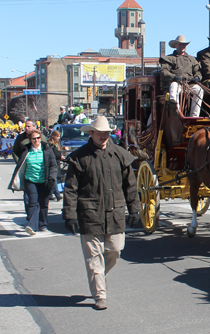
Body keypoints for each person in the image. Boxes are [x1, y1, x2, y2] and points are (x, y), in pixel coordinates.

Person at [62, 116, 140, 310]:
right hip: (89, 214)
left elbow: (131, 185)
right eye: (100, 133)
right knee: (93, 257)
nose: (103, 136)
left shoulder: (120, 155)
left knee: (115, 250)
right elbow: (70, 189)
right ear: (92, 133)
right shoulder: (79, 157)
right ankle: (100, 295)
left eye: (106, 133)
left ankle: (98, 276)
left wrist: (135, 209)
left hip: (115, 213)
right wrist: (70, 215)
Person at [8, 129, 58, 235]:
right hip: (30, 180)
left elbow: (53, 165)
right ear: (30, 140)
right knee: (32, 202)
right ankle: (31, 225)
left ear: (41, 138)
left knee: (44, 203)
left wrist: (51, 178)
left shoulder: (47, 150)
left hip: (44, 180)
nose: (36, 140)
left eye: (38, 138)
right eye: (34, 138)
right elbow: (20, 165)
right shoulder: (26, 150)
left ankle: (43, 224)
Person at [160, 35, 204, 117]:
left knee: (199, 90)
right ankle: (176, 110)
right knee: (174, 87)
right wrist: (174, 77)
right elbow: (164, 72)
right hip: (177, 82)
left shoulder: (192, 59)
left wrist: (197, 77)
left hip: (190, 84)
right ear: (175, 45)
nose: (182, 46)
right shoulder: (169, 58)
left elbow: (197, 71)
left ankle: (194, 116)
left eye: (184, 45)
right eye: (180, 44)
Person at [47, 130, 64, 202]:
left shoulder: (58, 143)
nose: (58, 138)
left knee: (54, 179)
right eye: (57, 136)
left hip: (57, 163)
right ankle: (57, 194)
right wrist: (60, 156)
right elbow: (53, 154)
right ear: (53, 136)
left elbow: (59, 152)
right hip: (52, 163)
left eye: (59, 136)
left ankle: (49, 194)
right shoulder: (50, 144)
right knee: (54, 179)